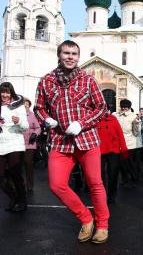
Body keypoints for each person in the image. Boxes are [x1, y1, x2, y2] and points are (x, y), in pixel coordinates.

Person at [34, 40, 109, 243]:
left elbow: (102, 108)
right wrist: (46, 119)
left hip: (87, 139)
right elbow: (39, 108)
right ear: (59, 55)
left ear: (78, 57)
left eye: (74, 54)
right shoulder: (46, 81)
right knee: (56, 185)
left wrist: (81, 123)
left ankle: (102, 225)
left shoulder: (87, 80)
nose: (70, 57)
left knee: (95, 183)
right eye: (66, 53)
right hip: (61, 141)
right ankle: (86, 218)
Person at [0, 82, 29, 212]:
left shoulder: (18, 107)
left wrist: (19, 121)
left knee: (15, 173)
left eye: (7, 92)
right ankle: (13, 197)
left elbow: (25, 127)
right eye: (2, 92)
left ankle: (22, 202)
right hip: (1, 144)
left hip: (15, 143)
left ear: (11, 93)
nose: (4, 95)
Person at [97, 110, 128, 204]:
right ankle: (101, 195)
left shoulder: (113, 119)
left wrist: (124, 149)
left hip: (113, 150)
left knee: (113, 174)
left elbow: (120, 134)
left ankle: (112, 195)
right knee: (99, 175)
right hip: (99, 150)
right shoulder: (94, 120)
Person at [114, 99, 142, 188]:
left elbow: (136, 132)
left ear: (129, 107)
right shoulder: (116, 116)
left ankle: (134, 178)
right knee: (121, 163)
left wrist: (137, 124)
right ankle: (125, 179)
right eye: (122, 107)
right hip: (120, 143)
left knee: (130, 163)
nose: (124, 109)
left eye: (126, 108)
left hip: (131, 144)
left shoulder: (133, 116)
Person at [23, 98, 41, 193]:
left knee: (28, 163)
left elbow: (38, 128)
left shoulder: (32, 115)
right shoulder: (17, 114)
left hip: (29, 143)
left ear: (29, 105)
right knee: (15, 165)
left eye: (27, 103)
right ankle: (18, 184)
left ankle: (30, 185)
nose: (25, 105)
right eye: (23, 103)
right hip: (17, 143)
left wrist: (34, 134)